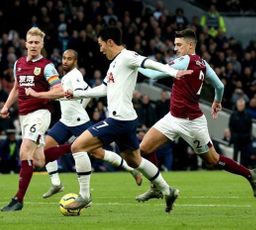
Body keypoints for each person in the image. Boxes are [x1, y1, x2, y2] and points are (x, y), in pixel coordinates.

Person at [63, 26, 192, 212]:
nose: (100, 49)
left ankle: (84, 196)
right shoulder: (114, 63)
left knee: (77, 146)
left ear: (109, 42)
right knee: (134, 161)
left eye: (101, 45)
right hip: (127, 119)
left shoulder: (127, 56)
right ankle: (167, 190)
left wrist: (174, 73)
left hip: (118, 120)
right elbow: (103, 89)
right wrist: (75, 94)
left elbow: (148, 62)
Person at [135, 28, 256, 202]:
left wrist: (134, 62)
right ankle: (157, 187)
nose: (176, 48)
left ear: (190, 45)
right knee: (145, 148)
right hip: (173, 118)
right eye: (175, 45)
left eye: (179, 45)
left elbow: (153, 73)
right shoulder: (204, 64)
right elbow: (220, 86)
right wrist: (217, 101)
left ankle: (249, 174)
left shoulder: (185, 60)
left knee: (212, 159)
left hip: (192, 123)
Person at [26, 49, 142, 199]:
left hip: (79, 122)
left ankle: (131, 169)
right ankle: (56, 184)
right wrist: (81, 103)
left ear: (75, 61)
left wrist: (49, 96)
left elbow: (81, 90)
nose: (65, 61)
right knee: (43, 148)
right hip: (65, 121)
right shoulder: (66, 76)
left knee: (98, 153)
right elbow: (87, 90)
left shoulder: (75, 75)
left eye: (69, 59)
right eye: (64, 58)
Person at [0, 27, 69, 212]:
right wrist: (6, 106)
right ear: (25, 43)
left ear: (42, 45)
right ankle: (76, 146)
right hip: (24, 115)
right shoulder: (19, 64)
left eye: (37, 42)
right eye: (30, 42)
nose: (33, 45)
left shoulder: (47, 66)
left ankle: (18, 200)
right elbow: (16, 88)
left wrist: (38, 94)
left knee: (24, 152)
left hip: (40, 114)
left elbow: (59, 90)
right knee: (38, 161)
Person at [229, 97, 252, 167]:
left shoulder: (248, 115)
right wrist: (234, 136)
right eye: (239, 105)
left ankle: (244, 170)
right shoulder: (233, 115)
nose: (240, 106)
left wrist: (247, 136)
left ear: (244, 105)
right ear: (237, 105)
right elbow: (231, 126)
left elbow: (249, 128)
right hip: (236, 138)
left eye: (242, 105)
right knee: (235, 156)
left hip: (245, 139)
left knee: (244, 157)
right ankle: (234, 169)